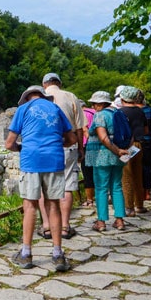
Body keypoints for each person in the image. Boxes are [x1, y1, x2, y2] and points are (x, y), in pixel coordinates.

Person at [5, 86, 77, 271]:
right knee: (53, 206)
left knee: (30, 206)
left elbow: (9, 143)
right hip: (54, 160)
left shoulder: (23, 109)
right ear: (43, 97)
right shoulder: (55, 109)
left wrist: (22, 148)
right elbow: (71, 139)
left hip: (31, 161)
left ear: (27, 98)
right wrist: (55, 144)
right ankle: (57, 254)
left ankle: (26, 253)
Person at [37, 72, 86, 240]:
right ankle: (64, 226)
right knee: (67, 185)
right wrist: (81, 148)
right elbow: (79, 127)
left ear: (44, 84)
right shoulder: (71, 96)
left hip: (45, 146)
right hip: (67, 144)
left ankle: (46, 226)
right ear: (60, 83)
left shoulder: (40, 98)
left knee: (44, 187)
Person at [85, 91, 130, 231]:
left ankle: (101, 221)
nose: (93, 106)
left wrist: (115, 150)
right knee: (116, 187)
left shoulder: (100, 115)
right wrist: (122, 151)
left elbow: (103, 138)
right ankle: (119, 220)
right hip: (119, 156)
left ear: (99, 104)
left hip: (101, 156)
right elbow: (130, 133)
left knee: (101, 188)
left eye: (94, 103)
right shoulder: (119, 113)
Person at [119, 86, 147, 216]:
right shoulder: (140, 111)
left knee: (126, 176)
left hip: (126, 147)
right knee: (137, 175)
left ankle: (129, 207)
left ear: (122, 98)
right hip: (138, 145)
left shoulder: (120, 112)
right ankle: (139, 205)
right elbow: (146, 130)